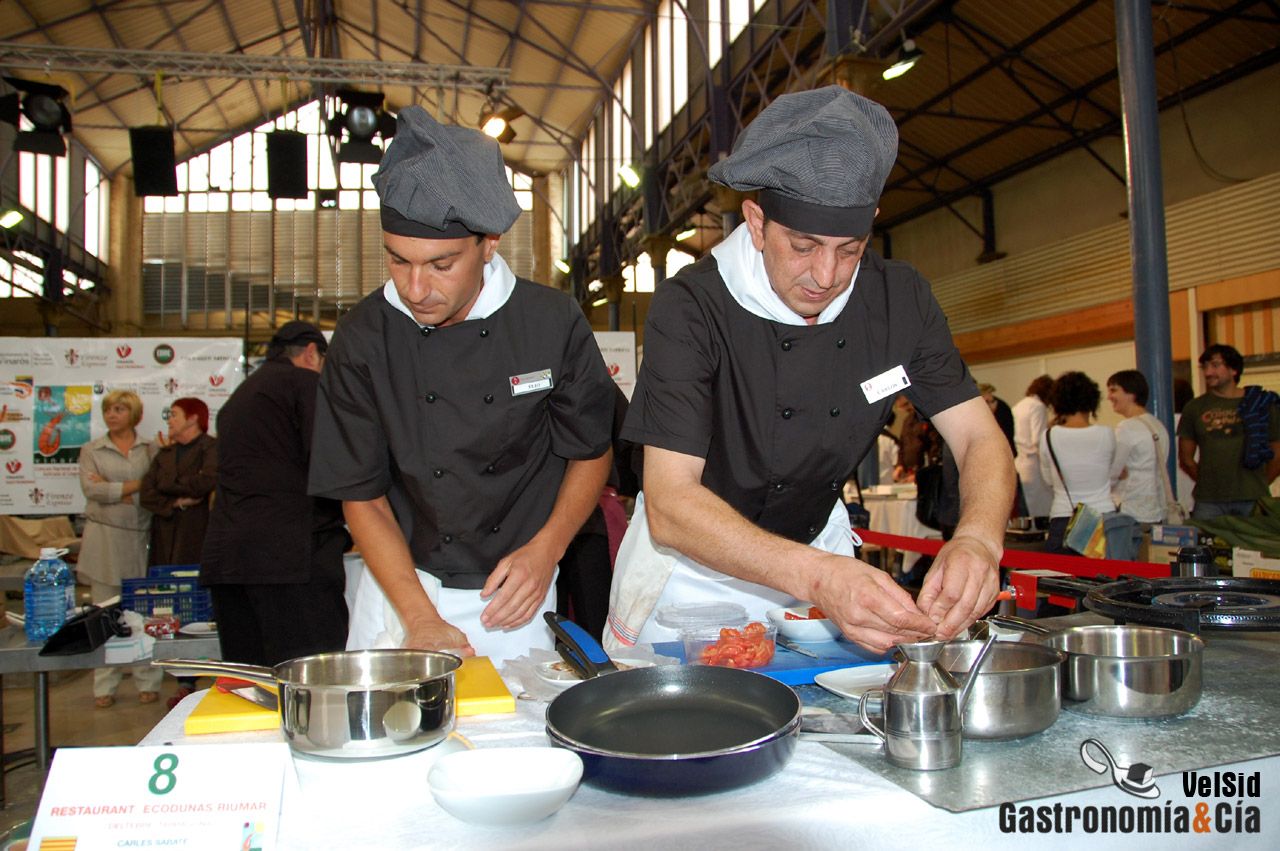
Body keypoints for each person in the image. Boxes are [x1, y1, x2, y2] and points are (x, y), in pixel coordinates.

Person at [606, 87, 1014, 655]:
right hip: (692, 581)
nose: (825, 275)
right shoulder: (693, 306)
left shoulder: (901, 301)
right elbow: (672, 503)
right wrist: (821, 576)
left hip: (820, 574)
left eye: (850, 249)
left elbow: (977, 437)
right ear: (755, 222)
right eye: (802, 246)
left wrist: (978, 538)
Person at [309, 106, 615, 662]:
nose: (415, 287)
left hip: (514, 590)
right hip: (401, 587)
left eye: (441, 264)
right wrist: (420, 619)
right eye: (398, 262)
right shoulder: (363, 336)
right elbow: (362, 494)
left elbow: (589, 451)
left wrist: (548, 550)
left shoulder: (549, 322)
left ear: (489, 244)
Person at [199, 321, 351, 667]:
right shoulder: (305, 384)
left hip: (231, 558)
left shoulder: (241, 397)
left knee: (250, 679)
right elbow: (328, 464)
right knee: (313, 678)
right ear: (312, 353)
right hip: (290, 560)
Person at [77, 390, 165, 708]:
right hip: (103, 541)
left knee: (142, 614)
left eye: (119, 409)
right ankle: (105, 686)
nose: (112, 414)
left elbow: (156, 489)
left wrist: (116, 490)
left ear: (134, 414)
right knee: (103, 615)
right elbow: (91, 489)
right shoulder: (91, 449)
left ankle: (148, 681)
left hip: (141, 538)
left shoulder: (151, 449)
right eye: (107, 409)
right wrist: (135, 486)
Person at [1177, 344, 1280, 519]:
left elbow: (1277, 454)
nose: (1208, 372)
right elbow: (1186, 459)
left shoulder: (1261, 405)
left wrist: (1258, 485)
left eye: (1215, 365)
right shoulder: (1194, 407)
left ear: (1234, 369)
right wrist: (1207, 483)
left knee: (1253, 547)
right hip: (1208, 501)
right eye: (1205, 367)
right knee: (1204, 547)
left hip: (1253, 499)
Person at [1038, 371, 1132, 557]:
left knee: (1063, 581)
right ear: (1092, 400)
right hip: (1102, 518)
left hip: (1064, 517)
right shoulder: (1106, 434)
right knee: (1103, 581)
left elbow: (1048, 479)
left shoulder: (1048, 436)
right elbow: (1112, 474)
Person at [140, 397, 217, 567]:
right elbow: (146, 494)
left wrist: (165, 484)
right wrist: (177, 502)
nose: (169, 421)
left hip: (197, 534)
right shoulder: (165, 453)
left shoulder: (212, 448)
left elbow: (205, 483)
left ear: (192, 419)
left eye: (174, 415)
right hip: (164, 537)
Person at [1106, 369, 1168, 559]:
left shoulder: (1128, 427)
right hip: (1156, 509)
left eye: (1114, 390)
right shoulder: (1157, 425)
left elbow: (1112, 471)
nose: (1109, 397)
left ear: (1131, 394)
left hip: (1131, 509)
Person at [1012, 375, 1054, 523]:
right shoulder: (1038, 406)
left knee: (1026, 507)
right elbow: (1038, 439)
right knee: (1040, 510)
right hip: (1034, 463)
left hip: (1020, 462)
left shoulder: (1019, 405)